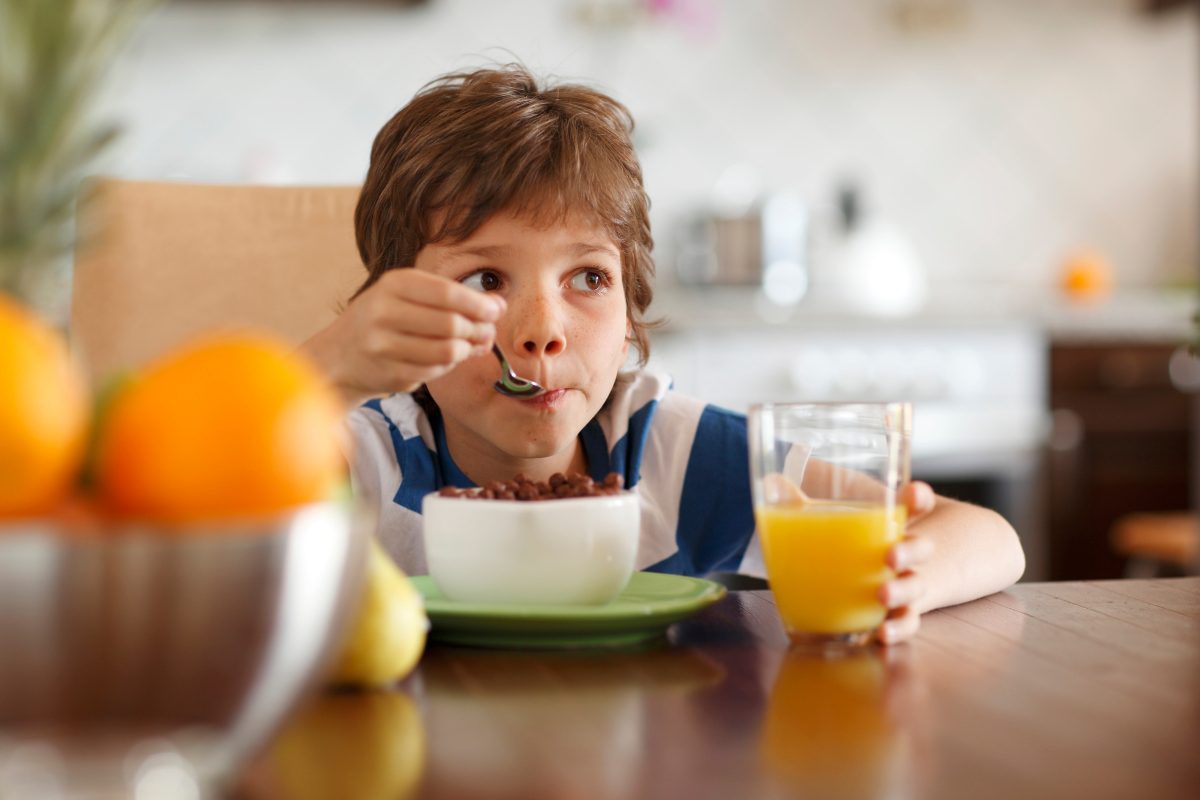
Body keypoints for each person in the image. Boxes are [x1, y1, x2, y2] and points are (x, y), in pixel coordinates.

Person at [301, 64, 1025, 644]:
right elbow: (192, 505)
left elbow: (989, 538)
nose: (542, 331)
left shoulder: (671, 452)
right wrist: (328, 369)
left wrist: (912, 577)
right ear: (394, 303)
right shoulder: (368, 461)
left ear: (630, 310)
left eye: (589, 278)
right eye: (486, 279)